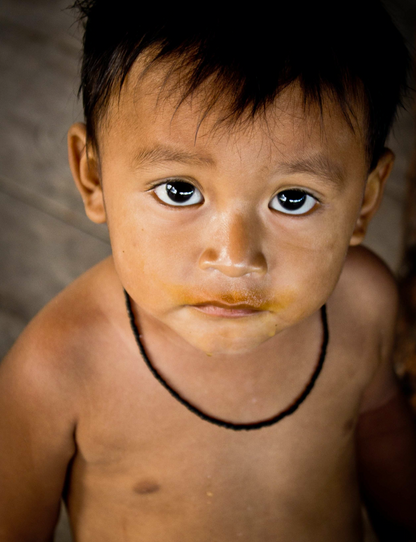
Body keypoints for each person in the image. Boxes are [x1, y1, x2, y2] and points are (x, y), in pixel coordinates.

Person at [1, 1, 416, 540]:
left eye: (293, 199)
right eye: (180, 190)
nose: (236, 256)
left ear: (365, 201)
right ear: (94, 176)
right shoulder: (57, 370)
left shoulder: (363, 303)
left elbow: (381, 429)